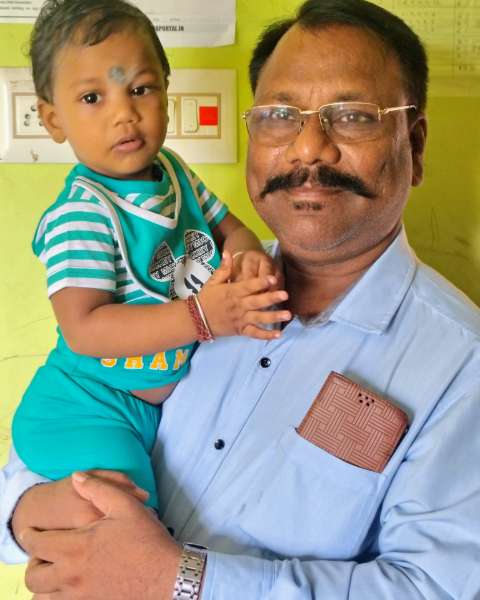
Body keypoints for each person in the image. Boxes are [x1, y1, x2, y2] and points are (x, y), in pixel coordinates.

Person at [2, 0, 480, 598]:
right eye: (281, 115)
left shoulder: (462, 366)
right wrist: (24, 512)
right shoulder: (194, 280)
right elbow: (75, 414)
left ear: (415, 144)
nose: (309, 148)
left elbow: (433, 588)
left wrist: (176, 579)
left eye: (353, 117)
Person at [9, 0, 290, 510]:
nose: (124, 113)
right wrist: (201, 317)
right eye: (92, 97)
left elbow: (232, 230)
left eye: (140, 89)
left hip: (147, 408)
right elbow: (84, 329)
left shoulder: (175, 173)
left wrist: (249, 258)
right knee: (130, 512)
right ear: (53, 119)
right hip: (86, 407)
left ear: (166, 88)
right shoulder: (83, 215)